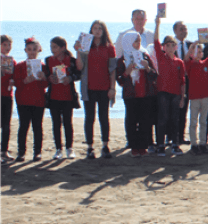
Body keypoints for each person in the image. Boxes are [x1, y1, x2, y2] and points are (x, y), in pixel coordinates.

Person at [74, 20, 117, 159]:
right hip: (89, 87)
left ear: (104, 31)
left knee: (104, 118)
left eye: (100, 28)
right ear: (91, 30)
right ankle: (90, 147)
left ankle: (105, 146)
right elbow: (80, 67)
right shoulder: (86, 46)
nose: (97, 31)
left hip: (104, 88)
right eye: (95, 28)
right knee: (89, 118)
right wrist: (78, 51)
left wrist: (112, 88)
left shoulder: (109, 48)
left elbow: (112, 70)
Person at [115, 32, 157, 157]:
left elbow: (154, 75)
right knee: (131, 121)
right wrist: (126, 72)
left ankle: (143, 146)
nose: (138, 44)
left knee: (145, 121)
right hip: (131, 94)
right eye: (135, 41)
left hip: (145, 93)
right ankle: (134, 147)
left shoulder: (145, 55)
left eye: (139, 41)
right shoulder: (122, 59)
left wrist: (147, 68)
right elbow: (120, 81)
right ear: (128, 42)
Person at [153, 15, 187, 156]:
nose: (170, 47)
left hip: (176, 94)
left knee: (175, 120)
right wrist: (157, 24)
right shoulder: (161, 57)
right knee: (162, 119)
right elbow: (155, 41)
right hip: (163, 93)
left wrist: (182, 98)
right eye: (167, 45)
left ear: (176, 46)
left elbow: (182, 81)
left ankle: (175, 144)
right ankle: (160, 145)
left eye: (172, 45)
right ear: (164, 47)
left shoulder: (180, 62)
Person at [13, 37, 49, 162]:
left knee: (37, 127)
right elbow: (16, 82)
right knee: (23, 126)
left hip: (38, 101)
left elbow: (46, 85)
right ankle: (21, 152)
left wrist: (44, 78)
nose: (32, 52)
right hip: (23, 100)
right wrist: (24, 81)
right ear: (25, 50)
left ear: (39, 50)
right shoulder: (20, 65)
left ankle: (37, 152)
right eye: (29, 49)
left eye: (34, 49)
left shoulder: (43, 66)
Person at [46, 37, 79, 160]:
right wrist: (49, 78)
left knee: (67, 123)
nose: (52, 49)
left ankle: (69, 148)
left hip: (68, 96)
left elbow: (79, 74)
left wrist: (70, 78)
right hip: (53, 96)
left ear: (63, 48)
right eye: (51, 47)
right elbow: (45, 75)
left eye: (54, 47)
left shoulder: (71, 60)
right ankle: (58, 149)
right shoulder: (48, 60)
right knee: (56, 123)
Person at [185, 42, 208, 154]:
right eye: (196, 52)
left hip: (205, 96)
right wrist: (192, 47)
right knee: (193, 121)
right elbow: (185, 59)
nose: (198, 54)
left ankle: (202, 143)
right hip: (194, 97)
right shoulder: (190, 64)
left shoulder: (205, 63)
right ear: (192, 54)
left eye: (200, 52)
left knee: (204, 121)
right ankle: (194, 144)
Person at [172, 21, 192, 147]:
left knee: (183, 109)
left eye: (185, 28)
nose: (184, 31)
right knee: (173, 110)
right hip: (174, 81)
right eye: (181, 29)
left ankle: (181, 137)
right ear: (175, 31)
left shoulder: (190, 44)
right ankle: (172, 137)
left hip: (187, 81)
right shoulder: (170, 44)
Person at [0, 35, 15, 161]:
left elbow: (16, 76)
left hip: (8, 95)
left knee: (6, 125)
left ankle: (4, 150)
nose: (7, 47)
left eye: (9, 44)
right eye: (4, 44)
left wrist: (13, 80)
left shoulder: (12, 61)